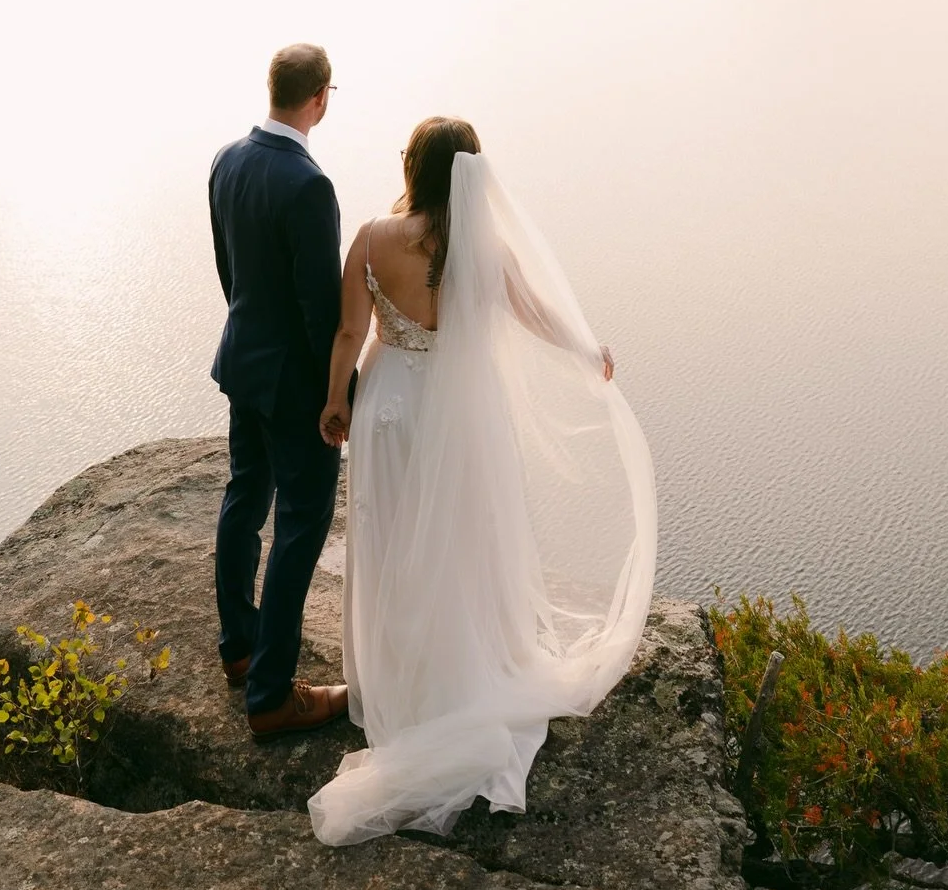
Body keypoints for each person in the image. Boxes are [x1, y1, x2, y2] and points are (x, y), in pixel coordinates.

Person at [307, 117, 657, 846]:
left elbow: (350, 332)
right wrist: (588, 349)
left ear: (413, 166)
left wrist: (336, 399)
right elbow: (533, 312)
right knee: (462, 540)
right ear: (471, 175)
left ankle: (395, 677)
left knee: (390, 533)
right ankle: (461, 669)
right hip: (458, 415)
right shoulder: (483, 246)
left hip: (390, 407)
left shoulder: (372, 236)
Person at [208, 44, 349, 740]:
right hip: (294, 388)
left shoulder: (226, 160)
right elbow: (323, 311)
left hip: (243, 365)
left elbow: (227, 271)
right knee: (300, 523)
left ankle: (239, 647)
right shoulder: (308, 185)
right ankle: (270, 693)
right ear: (320, 97)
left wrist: (251, 343)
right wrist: (337, 394)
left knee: (243, 497)